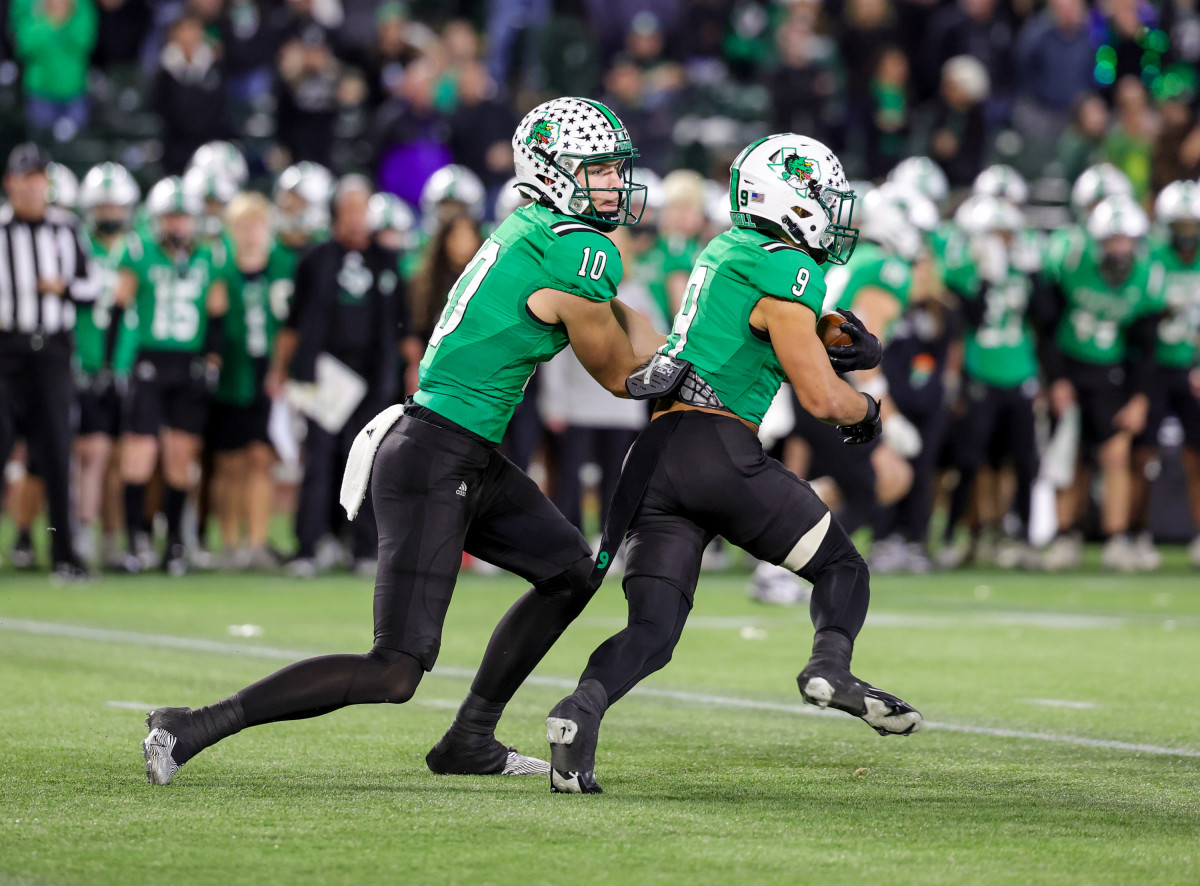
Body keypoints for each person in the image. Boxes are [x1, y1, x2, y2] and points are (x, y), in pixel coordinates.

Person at [140, 96, 662, 787]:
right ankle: (193, 723)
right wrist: (716, 366)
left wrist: (691, 355)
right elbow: (625, 376)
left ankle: (470, 740)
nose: (612, 183)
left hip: (459, 450)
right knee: (396, 669)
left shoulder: (541, 233)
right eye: (596, 169)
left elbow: (636, 331)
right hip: (434, 455)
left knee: (571, 571)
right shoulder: (577, 248)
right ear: (554, 170)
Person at [545, 134, 922, 795]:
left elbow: (754, 331)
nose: (832, 216)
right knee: (842, 566)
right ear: (791, 201)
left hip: (657, 454)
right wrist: (866, 412)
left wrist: (827, 334)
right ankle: (830, 666)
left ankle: (578, 714)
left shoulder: (727, 249)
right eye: (822, 200)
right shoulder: (786, 267)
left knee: (653, 631)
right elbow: (819, 398)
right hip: (717, 449)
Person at [266, 176, 405, 577]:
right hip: (323, 375)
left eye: (362, 211)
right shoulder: (315, 259)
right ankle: (309, 545)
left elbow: (402, 327)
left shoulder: (387, 260)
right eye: (349, 211)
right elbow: (293, 323)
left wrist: (407, 370)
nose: (357, 220)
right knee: (319, 459)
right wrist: (281, 370)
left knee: (366, 462)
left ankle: (363, 548)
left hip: (373, 378)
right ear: (335, 215)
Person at [1041, 194, 1165, 571]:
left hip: (1112, 373)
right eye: (1112, 240)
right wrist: (1056, 378)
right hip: (1071, 366)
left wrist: (1141, 396)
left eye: (1125, 239)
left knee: (1115, 456)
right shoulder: (1072, 264)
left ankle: (1115, 537)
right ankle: (1066, 535)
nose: (1119, 248)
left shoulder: (1146, 275)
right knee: (1068, 456)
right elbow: (1047, 326)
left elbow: (1147, 344)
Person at [113, 176, 229, 575]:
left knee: (181, 458)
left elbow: (217, 313)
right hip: (149, 360)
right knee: (139, 456)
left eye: (183, 217)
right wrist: (117, 363)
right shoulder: (139, 251)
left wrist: (212, 360)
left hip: (189, 362)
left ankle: (174, 546)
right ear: (157, 219)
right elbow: (118, 305)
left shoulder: (209, 256)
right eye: (170, 217)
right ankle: (135, 540)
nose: (177, 225)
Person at [0, 143, 98, 580]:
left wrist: (62, 288)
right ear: (10, 183)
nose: (33, 185)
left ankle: (63, 550)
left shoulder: (66, 229)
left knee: (58, 450)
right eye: (25, 177)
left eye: (39, 178)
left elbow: (92, 288)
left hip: (53, 349)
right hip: (5, 348)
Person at [208, 193, 295, 569]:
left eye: (256, 223)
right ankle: (229, 542)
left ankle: (256, 543)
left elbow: (289, 324)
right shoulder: (220, 270)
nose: (249, 232)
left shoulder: (281, 266)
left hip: (267, 373)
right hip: (231, 372)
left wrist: (283, 368)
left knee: (261, 457)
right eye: (242, 225)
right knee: (230, 462)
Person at [73, 162, 141, 568]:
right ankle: (82, 535)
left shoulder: (140, 247)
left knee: (122, 459)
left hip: (131, 365)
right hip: (89, 361)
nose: (110, 214)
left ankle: (114, 541)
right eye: (103, 206)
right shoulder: (77, 245)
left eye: (116, 206)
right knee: (93, 453)